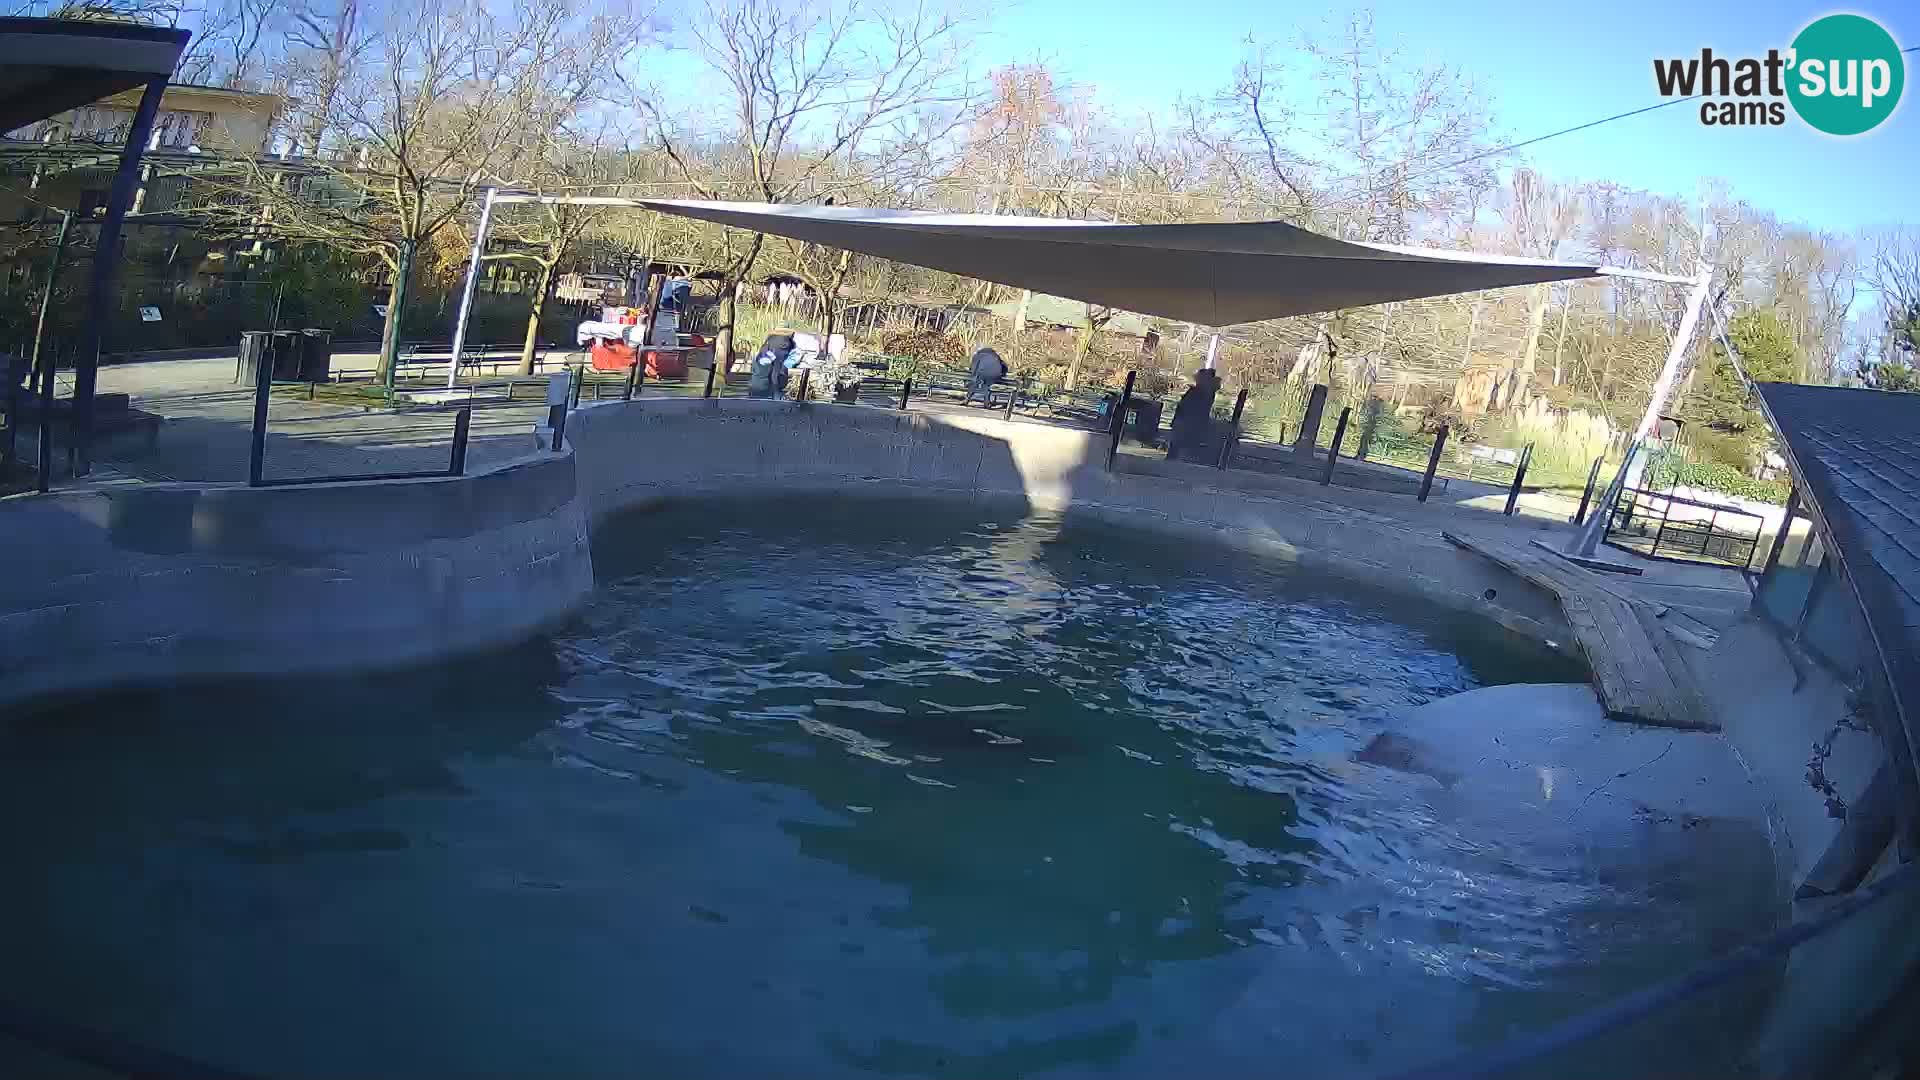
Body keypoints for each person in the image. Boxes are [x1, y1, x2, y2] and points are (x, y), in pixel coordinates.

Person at [1166, 368, 1221, 461]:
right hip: (1191, 424)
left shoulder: (1198, 392)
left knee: (1178, 446)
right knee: (1182, 447)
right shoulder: (1207, 392)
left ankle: (1173, 460)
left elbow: (1185, 408)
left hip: (1186, 424)